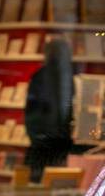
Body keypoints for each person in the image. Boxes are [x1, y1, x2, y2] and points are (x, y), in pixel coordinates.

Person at [24, 37, 74, 181]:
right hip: (53, 145)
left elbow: (31, 113)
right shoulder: (65, 77)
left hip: (46, 144)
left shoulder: (45, 77)